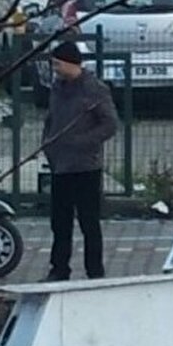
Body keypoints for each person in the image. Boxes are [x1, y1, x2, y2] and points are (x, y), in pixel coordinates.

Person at [43, 40, 118, 281]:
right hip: (60, 166)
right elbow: (51, 118)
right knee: (60, 223)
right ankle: (59, 268)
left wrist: (83, 141)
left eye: (57, 64)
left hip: (85, 167)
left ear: (70, 63)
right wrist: (49, 144)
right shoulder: (57, 88)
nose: (55, 69)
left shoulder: (94, 89)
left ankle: (94, 271)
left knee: (89, 223)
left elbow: (109, 124)